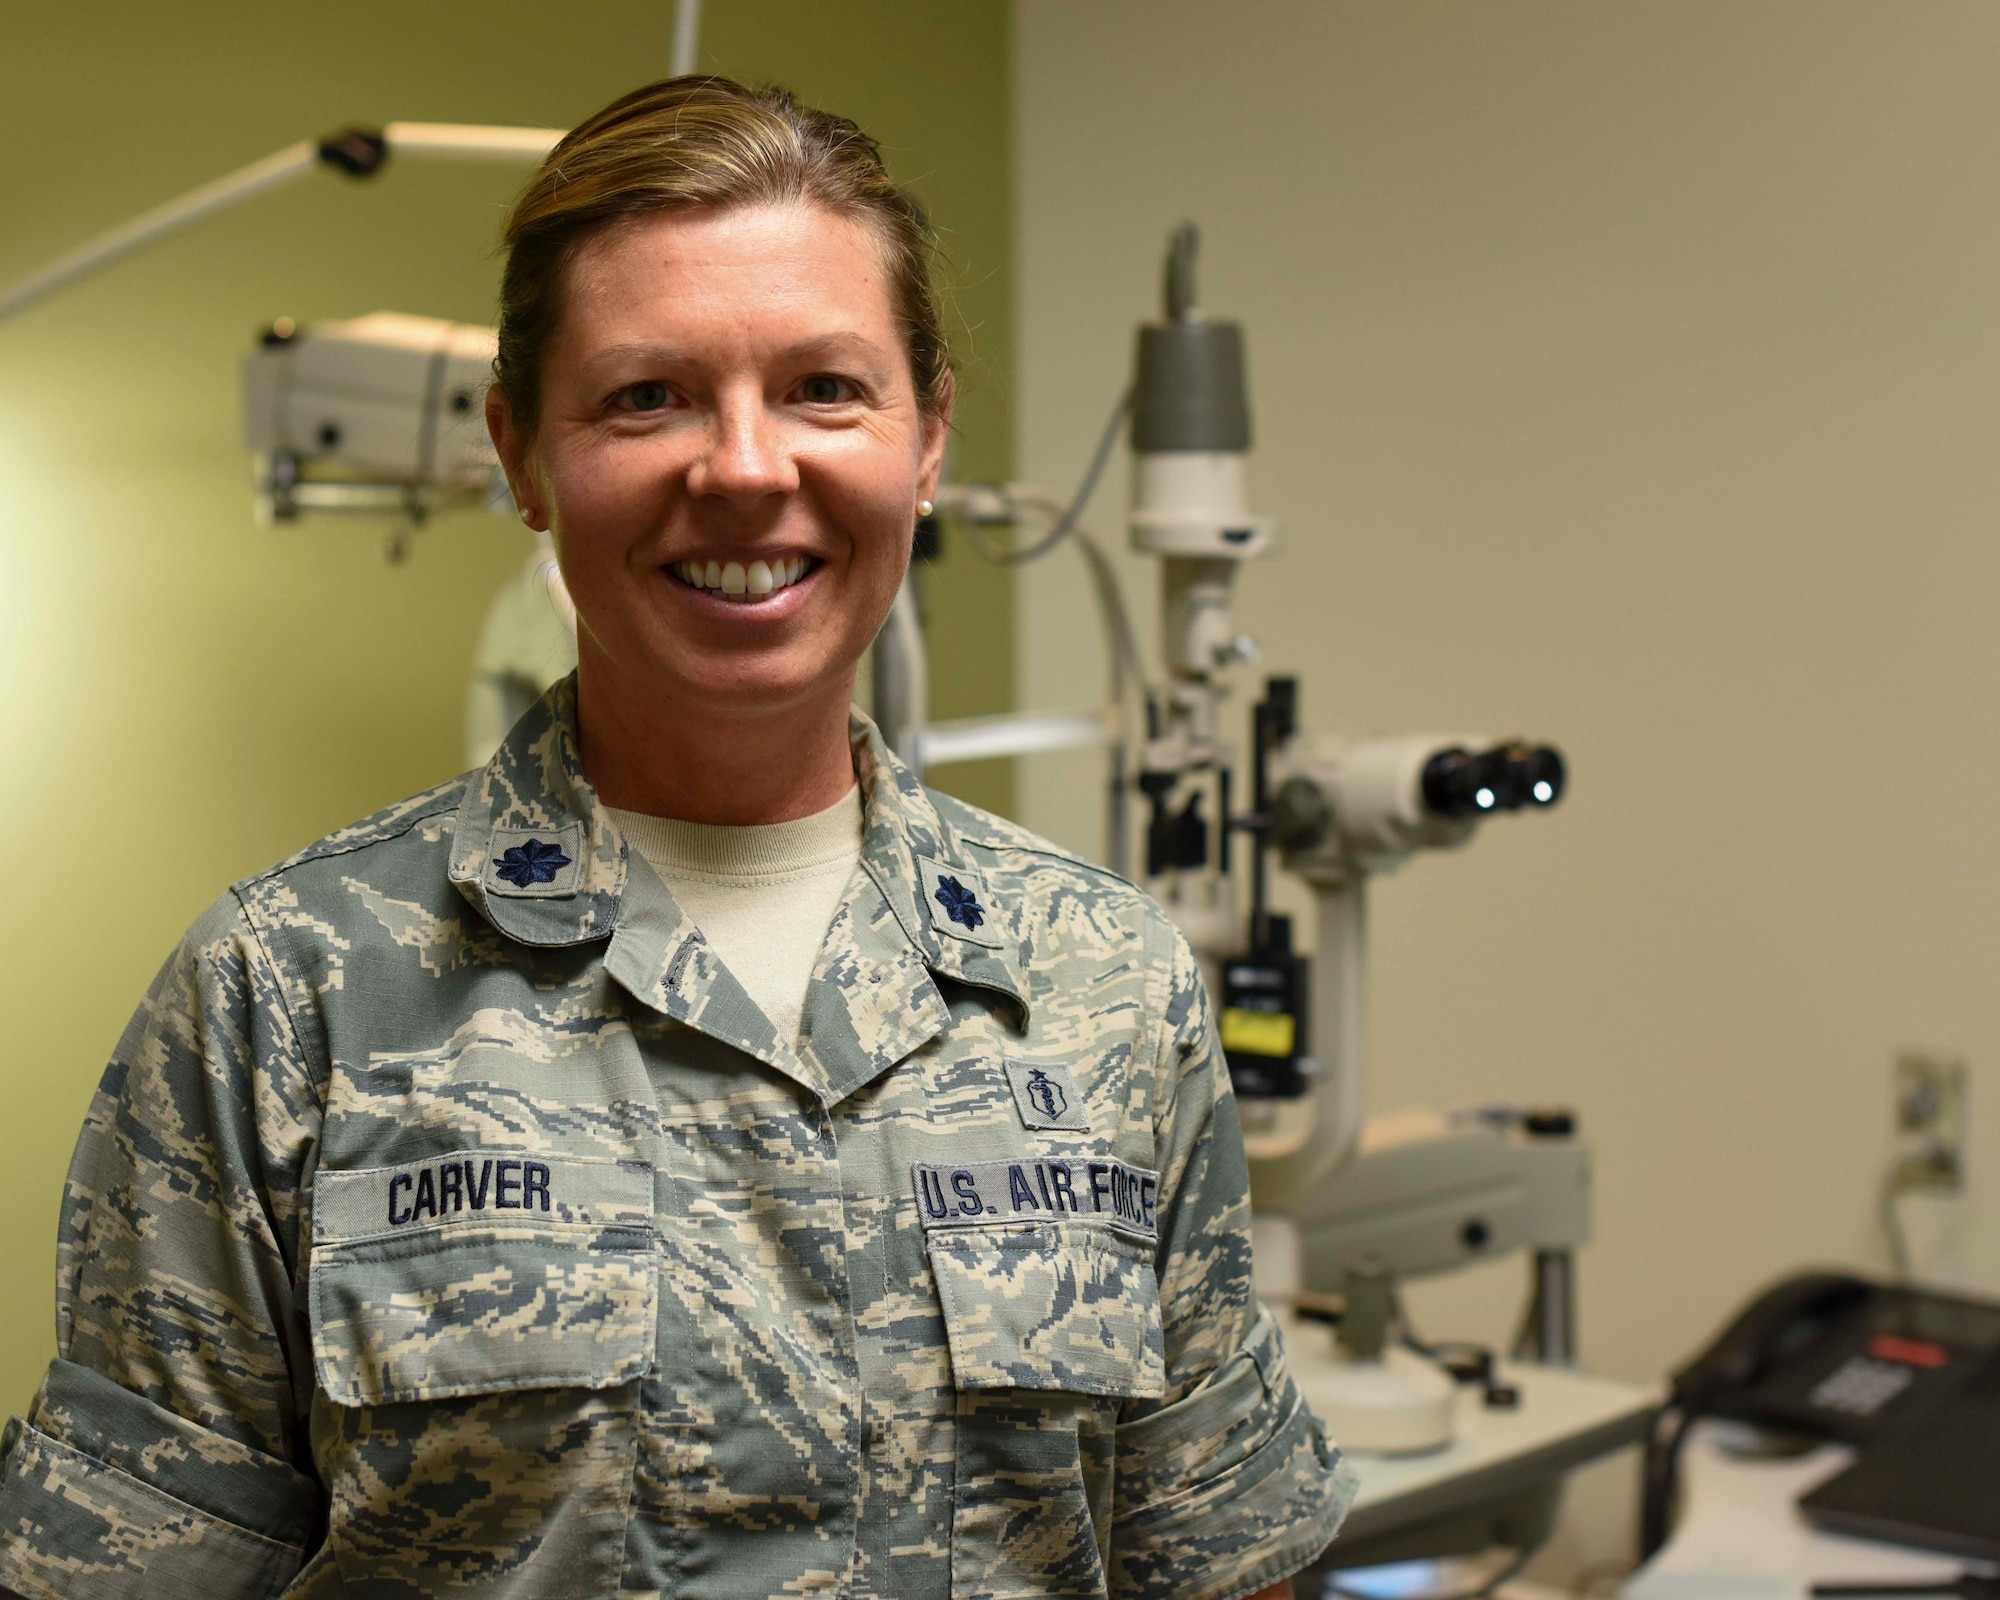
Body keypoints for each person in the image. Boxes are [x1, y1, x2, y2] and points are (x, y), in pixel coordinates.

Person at [0, 78, 1354, 1600]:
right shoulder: (288, 995)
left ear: (927, 440)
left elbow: (1222, 1558)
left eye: (825, 389)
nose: (747, 468)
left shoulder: (1103, 980)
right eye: (646, 396)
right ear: (520, 454)